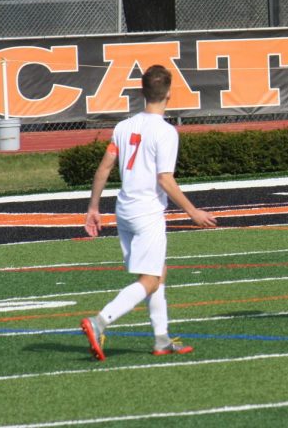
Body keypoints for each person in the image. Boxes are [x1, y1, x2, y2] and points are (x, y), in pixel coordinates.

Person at [80, 65, 217, 362]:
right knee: (151, 279)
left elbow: (104, 167)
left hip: (125, 210)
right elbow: (164, 179)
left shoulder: (123, 126)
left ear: (142, 92)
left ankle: (161, 338)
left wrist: (93, 207)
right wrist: (193, 212)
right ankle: (100, 321)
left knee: (157, 273)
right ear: (169, 94)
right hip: (147, 212)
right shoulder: (166, 132)